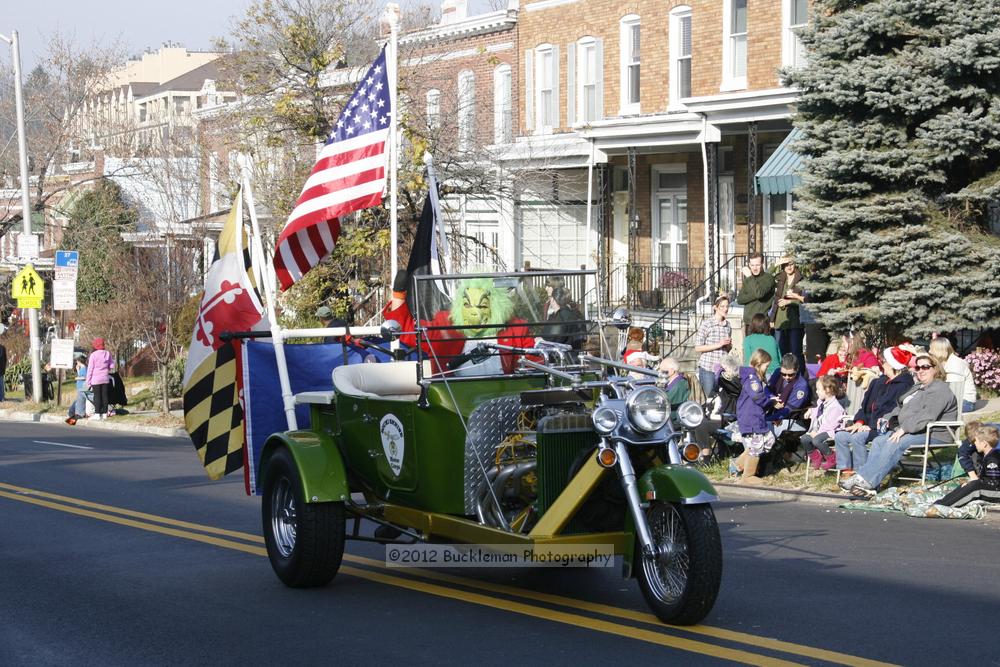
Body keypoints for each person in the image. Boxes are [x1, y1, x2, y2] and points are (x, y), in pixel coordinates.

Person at [839, 353, 958, 495]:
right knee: (878, 441)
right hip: (914, 430)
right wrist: (887, 417)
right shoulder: (919, 387)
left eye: (925, 367)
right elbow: (900, 406)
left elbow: (927, 416)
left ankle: (865, 480)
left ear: (935, 369)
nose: (921, 370)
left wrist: (904, 429)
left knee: (896, 441)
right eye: (918, 367)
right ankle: (870, 486)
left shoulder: (939, 389)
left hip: (935, 433)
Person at [382, 275, 534, 375]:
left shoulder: (514, 329)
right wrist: (399, 295)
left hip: (501, 398)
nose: (475, 313)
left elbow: (533, 363)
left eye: (482, 306)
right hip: (454, 401)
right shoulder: (445, 328)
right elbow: (407, 329)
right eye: (468, 305)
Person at [833, 346, 915, 476]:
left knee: (858, 438)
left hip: (885, 428)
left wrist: (870, 426)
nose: (882, 364)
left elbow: (893, 412)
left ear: (894, 365)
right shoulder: (878, 382)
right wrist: (860, 421)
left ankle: (863, 473)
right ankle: (846, 470)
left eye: (885, 362)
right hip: (867, 425)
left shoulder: (904, 385)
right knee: (840, 436)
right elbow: (864, 406)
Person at [730, 349, 776, 485]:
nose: (766, 369)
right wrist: (771, 402)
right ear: (758, 363)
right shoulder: (752, 378)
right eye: (766, 366)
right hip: (751, 417)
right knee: (756, 448)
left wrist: (770, 399)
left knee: (768, 440)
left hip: (755, 416)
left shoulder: (754, 377)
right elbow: (758, 397)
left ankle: (738, 464)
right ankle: (747, 476)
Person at [934, 425, 1000, 508]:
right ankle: (940, 503)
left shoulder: (993, 459)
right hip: (994, 489)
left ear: (984, 444)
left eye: (976, 441)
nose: (974, 444)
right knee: (967, 484)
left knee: (975, 487)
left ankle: (945, 507)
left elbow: (994, 483)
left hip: (997, 492)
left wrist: (977, 482)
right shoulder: (989, 455)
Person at [798, 375, 846, 470]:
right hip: (820, 431)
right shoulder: (821, 403)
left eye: (818, 389)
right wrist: (810, 411)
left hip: (831, 431)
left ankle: (832, 457)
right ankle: (816, 457)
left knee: (816, 440)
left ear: (827, 390)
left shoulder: (835, 407)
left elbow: (830, 425)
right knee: (804, 439)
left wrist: (816, 433)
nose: (816, 391)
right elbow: (817, 411)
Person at [771, 256, 806, 371]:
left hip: (795, 321)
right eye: (786, 265)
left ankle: (799, 376)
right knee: (780, 352)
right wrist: (775, 264)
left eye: (791, 264)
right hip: (780, 321)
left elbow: (805, 300)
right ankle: (783, 376)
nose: (789, 267)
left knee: (796, 352)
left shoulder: (801, 280)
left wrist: (790, 301)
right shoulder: (780, 278)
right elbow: (765, 279)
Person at [694, 295, 733, 398]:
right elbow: (697, 347)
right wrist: (719, 344)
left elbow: (727, 350)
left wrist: (729, 345)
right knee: (709, 399)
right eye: (722, 306)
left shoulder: (728, 325)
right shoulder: (707, 324)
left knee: (721, 400)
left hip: (722, 369)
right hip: (708, 368)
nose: (726, 309)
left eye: (727, 306)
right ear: (715, 307)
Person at [929, 337, 977, 413]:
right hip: (954, 401)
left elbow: (954, 392)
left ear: (938, 350)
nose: (929, 352)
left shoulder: (955, 364)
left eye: (931, 349)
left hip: (965, 402)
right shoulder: (945, 363)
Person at [735, 252, 776, 335]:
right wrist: (756, 294)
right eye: (752, 265)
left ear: (762, 264)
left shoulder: (768, 278)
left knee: (762, 348)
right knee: (749, 347)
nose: (754, 268)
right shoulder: (748, 280)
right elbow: (739, 299)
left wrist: (750, 277)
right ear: (749, 265)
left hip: (762, 322)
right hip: (748, 322)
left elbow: (759, 294)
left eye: (757, 265)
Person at [85, 338, 116, 421]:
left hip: (95, 379)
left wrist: (88, 382)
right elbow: (112, 365)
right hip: (105, 378)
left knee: (97, 396)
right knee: (105, 396)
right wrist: (107, 369)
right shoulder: (107, 353)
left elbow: (90, 369)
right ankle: (105, 414)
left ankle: (97, 414)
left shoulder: (93, 355)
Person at [742, 313, 781, 378]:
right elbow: (780, 359)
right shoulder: (772, 338)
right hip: (776, 373)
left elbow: (748, 362)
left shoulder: (748, 339)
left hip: (759, 374)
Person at [657, 357, 690, 425]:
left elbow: (666, 401)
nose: (660, 372)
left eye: (662, 370)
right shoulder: (673, 382)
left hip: (673, 420)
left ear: (672, 371)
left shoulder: (680, 384)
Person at [66, 353, 89, 424]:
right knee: (78, 402)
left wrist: (77, 377)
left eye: (77, 362)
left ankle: (71, 415)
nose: (76, 363)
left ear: (79, 361)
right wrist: (78, 370)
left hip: (82, 388)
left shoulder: (84, 368)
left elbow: (85, 377)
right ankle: (71, 415)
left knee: (77, 402)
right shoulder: (82, 368)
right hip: (80, 387)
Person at [0, 335, 6, 402]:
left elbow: (5, 359)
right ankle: (1, 398)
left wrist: (3, 368)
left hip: (1, 370)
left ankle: (2, 398)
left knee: (1, 384)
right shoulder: (2, 348)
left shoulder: (2, 348)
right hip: (1, 369)